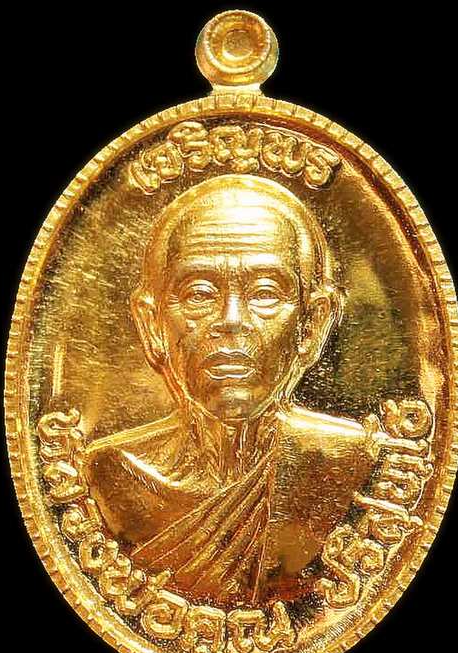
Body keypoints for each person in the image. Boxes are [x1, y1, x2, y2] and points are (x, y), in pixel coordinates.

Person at [84, 174, 381, 607]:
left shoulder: (353, 463)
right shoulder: (110, 474)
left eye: (265, 293)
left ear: (313, 324)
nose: (232, 321)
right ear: (151, 324)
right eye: (199, 294)